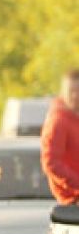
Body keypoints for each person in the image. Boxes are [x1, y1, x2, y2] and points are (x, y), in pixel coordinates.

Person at [41, 69, 79, 205]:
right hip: (73, 201)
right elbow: (51, 163)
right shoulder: (58, 121)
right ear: (63, 93)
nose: (75, 96)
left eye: (78, 91)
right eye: (71, 91)